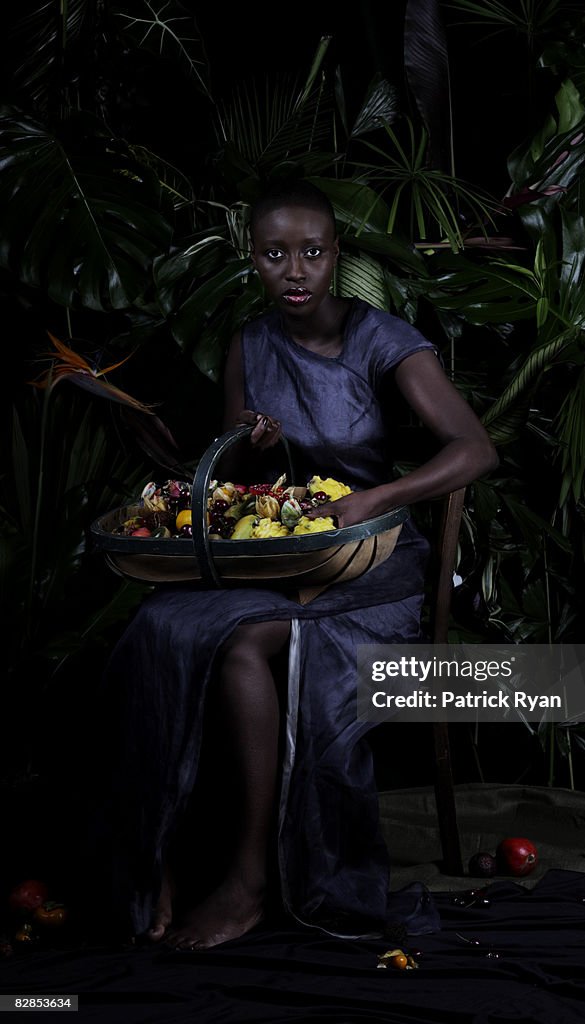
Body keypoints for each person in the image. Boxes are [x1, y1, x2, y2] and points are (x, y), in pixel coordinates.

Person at [104, 180, 497, 950]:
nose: (295, 270)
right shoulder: (249, 345)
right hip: (283, 552)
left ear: (334, 257)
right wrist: (256, 446)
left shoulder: (382, 338)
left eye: (311, 253)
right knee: (160, 623)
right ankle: (162, 857)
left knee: (247, 644)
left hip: (374, 556)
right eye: (275, 253)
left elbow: (474, 448)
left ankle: (250, 878)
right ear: (251, 260)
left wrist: (376, 495)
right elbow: (230, 478)